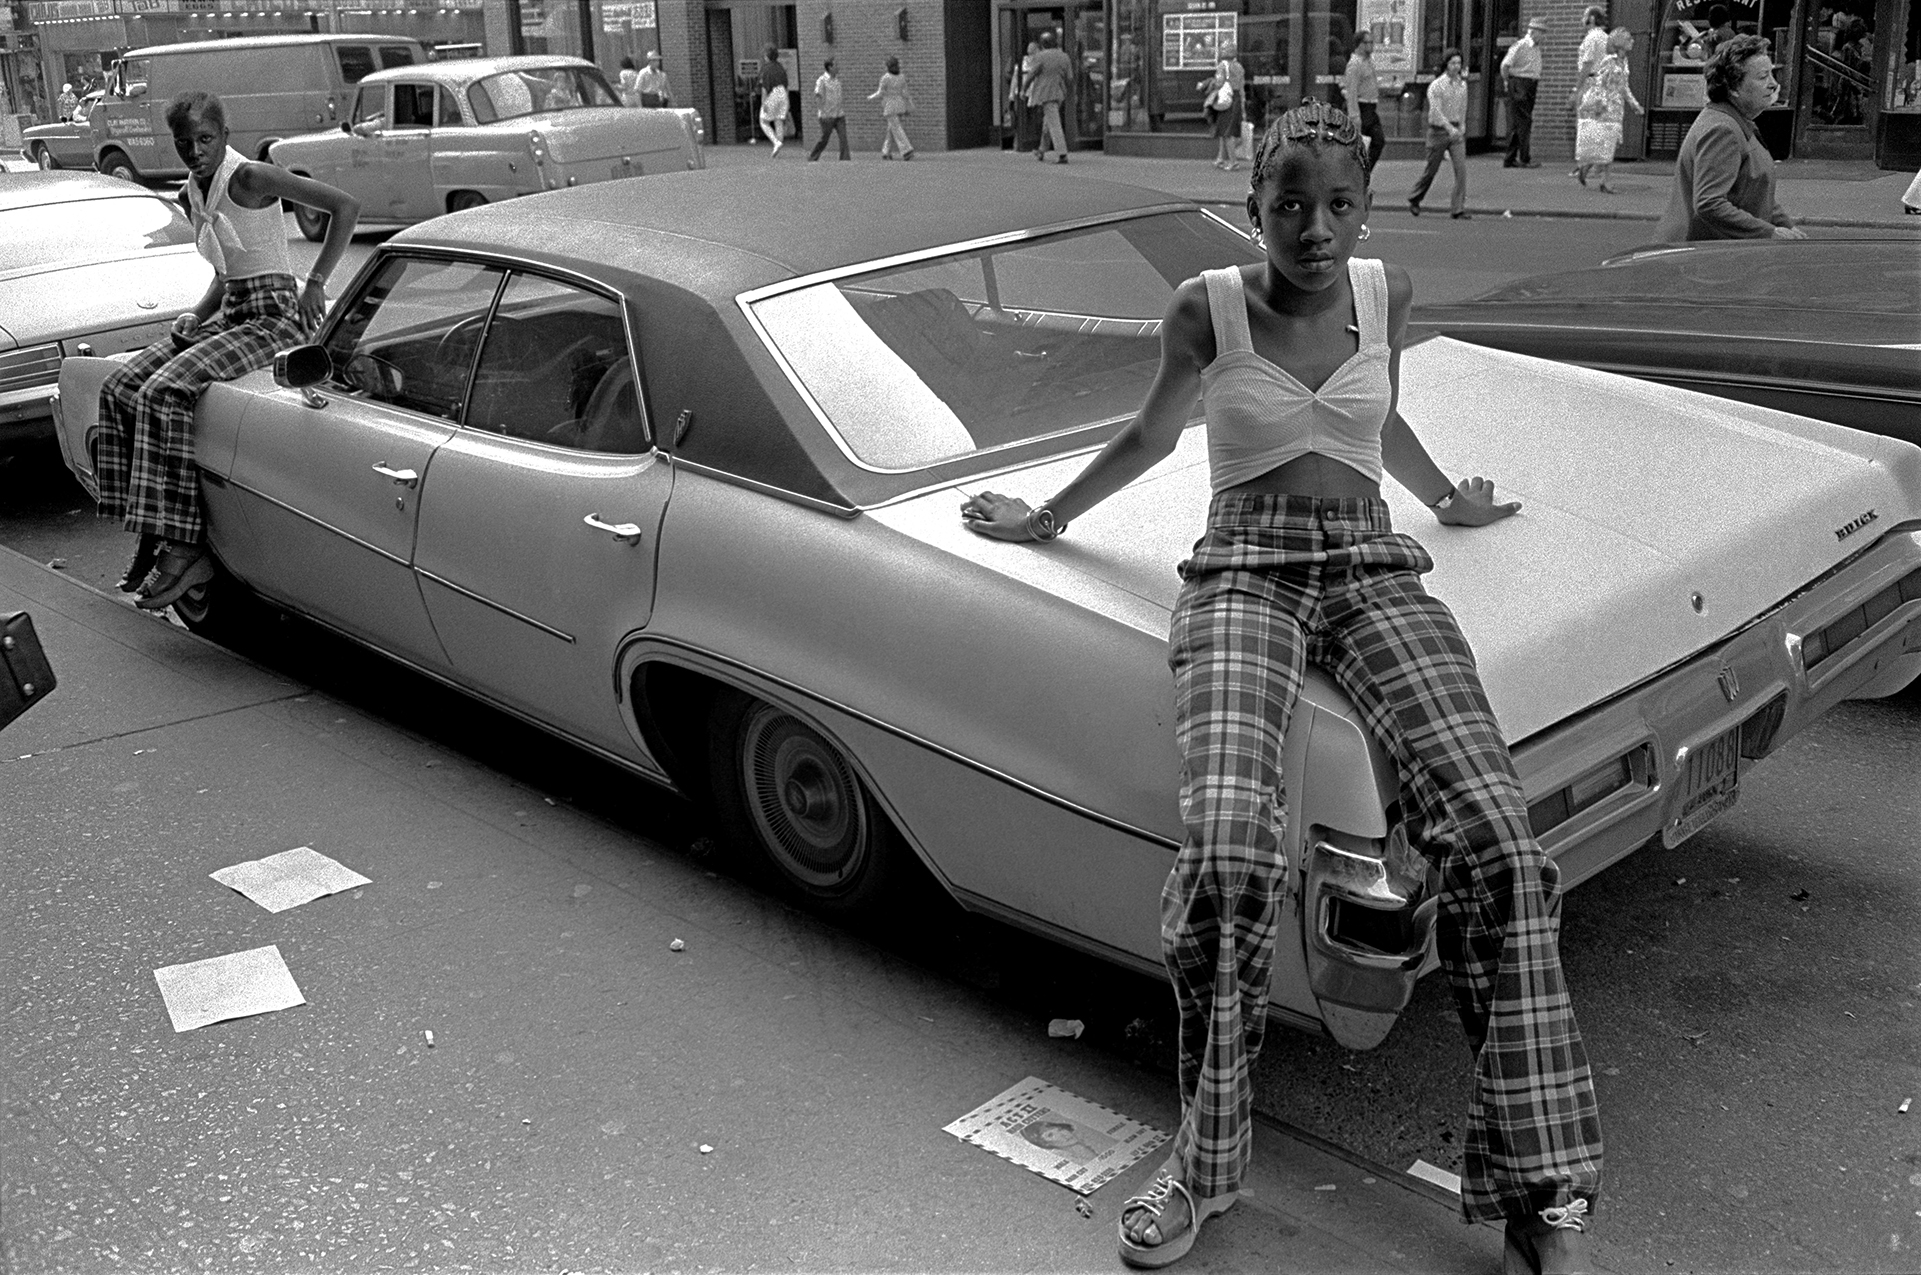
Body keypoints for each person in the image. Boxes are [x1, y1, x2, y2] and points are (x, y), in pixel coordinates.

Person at [959, 96, 1602, 1275]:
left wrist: (1446, 497)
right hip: (1244, 576)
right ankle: (1204, 1168)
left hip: (1369, 569)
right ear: (1251, 205)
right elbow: (1151, 440)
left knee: (1499, 844)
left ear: (1366, 202)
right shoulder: (1203, 310)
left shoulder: (1383, 296)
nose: (1315, 228)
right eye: (1288, 204)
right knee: (1228, 855)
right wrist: (1043, 517)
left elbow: (1378, 412)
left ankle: (1540, 1187)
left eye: (1339, 203)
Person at [93, 91, 359, 609]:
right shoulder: (196, 187)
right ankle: (152, 528)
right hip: (233, 311)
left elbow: (345, 206)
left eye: (205, 139)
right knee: (119, 386)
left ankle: (184, 544)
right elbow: (227, 271)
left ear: (224, 137)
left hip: (274, 317)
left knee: (163, 390)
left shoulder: (250, 177)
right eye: (184, 143)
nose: (195, 151)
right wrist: (198, 309)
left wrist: (316, 281)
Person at [1654, 34, 1805, 240]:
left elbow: (1755, 191)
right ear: (1733, 87)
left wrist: (1785, 225)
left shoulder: (1737, 122)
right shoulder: (1722, 130)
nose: (1772, 84)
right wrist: (1769, 232)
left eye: (1772, 74)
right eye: (1763, 77)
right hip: (1700, 256)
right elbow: (1709, 203)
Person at [1574, 27, 1643, 191]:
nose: (1632, 41)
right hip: (1604, 108)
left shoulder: (1624, 61)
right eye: (1628, 39)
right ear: (1619, 43)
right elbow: (1600, 84)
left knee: (1609, 143)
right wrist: (1600, 104)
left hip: (1616, 107)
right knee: (1607, 143)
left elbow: (1624, 86)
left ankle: (1587, 166)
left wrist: (1634, 104)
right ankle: (1605, 181)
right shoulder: (1609, 61)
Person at [1408, 49, 1470, 218]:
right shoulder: (1437, 85)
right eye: (1452, 63)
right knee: (1431, 170)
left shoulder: (1462, 85)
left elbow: (1463, 107)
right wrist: (1449, 127)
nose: (1456, 67)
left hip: (1456, 131)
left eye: (1458, 63)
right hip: (1439, 131)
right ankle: (1415, 197)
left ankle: (1457, 208)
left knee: (1461, 170)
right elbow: (1436, 112)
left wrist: (1462, 126)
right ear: (1446, 65)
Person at [1500, 16, 1547, 167]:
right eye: (1542, 32)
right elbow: (1505, 65)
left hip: (1530, 84)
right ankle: (1524, 158)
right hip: (1520, 83)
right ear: (1533, 32)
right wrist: (1508, 82)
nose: (1543, 36)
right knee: (1525, 121)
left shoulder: (1536, 47)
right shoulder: (1521, 45)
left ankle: (1510, 158)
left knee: (1519, 123)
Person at [1342, 31, 1386, 178]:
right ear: (1358, 45)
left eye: (1372, 43)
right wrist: (1355, 115)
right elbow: (1352, 91)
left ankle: (1362, 175)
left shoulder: (1368, 61)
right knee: (1358, 147)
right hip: (1362, 107)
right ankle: (1353, 177)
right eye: (1366, 43)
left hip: (1371, 107)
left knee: (1378, 141)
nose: (1370, 46)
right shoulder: (1354, 65)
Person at [1028, 29, 1074, 164]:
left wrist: (1024, 89)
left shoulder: (1040, 57)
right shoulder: (1064, 56)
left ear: (1042, 45)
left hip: (1046, 93)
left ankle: (1062, 153)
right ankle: (1041, 150)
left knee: (1054, 123)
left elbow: (1031, 75)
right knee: (1048, 121)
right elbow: (1070, 78)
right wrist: (1068, 92)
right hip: (1060, 93)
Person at [1198, 45, 1245, 170]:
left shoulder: (1222, 66)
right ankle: (1220, 159)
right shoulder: (1239, 67)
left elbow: (1219, 83)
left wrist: (1205, 84)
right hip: (1236, 98)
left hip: (1225, 100)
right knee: (1223, 130)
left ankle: (1233, 162)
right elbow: (1241, 86)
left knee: (1226, 132)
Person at [869, 57, 915, 160]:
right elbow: (905, 93)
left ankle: (907, 150)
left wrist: (871, 97)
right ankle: (886, 151)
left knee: (897, 128)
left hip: (890, 106)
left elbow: (880, 93)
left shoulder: (885, 78)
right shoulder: (902, 77)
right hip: (900, 105)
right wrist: (910, 104)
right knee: (891, 128)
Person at [808, 57, 849, 161]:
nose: (838, 67)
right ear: (830, 67)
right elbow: (818, 96)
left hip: (839, 114)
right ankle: (813, 157)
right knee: (824, 139)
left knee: (843, 138)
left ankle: (845, 160)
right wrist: (822, 111)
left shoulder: (837, 81)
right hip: (827, 115)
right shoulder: (822, 80)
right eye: (835, 65)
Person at [758, 46, 791, 155]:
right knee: (778, 120)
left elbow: (765, 87)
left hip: (773, 93)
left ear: (767, 56)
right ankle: (778, 144)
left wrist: (764, 103)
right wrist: (787, 100)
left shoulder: (766, 68)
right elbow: (786, 84)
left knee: (763, 121)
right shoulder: (780, 67)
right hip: (783, 93)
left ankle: (776, 142)